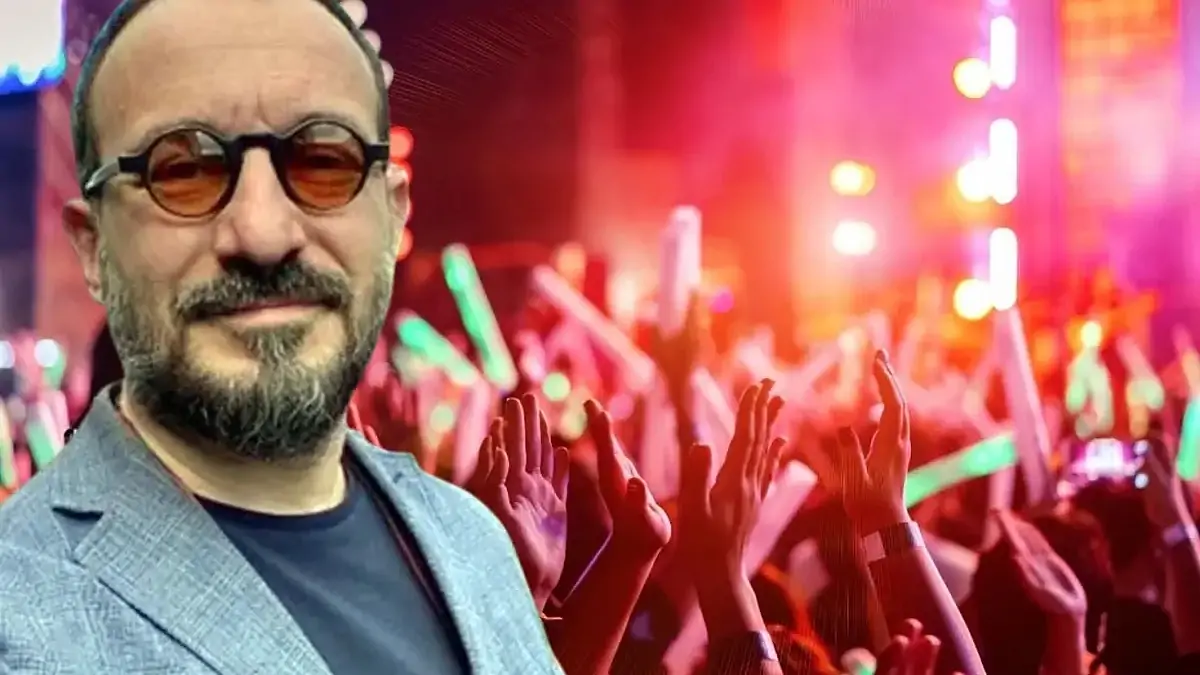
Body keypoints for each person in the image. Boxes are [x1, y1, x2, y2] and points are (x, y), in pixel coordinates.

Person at [0, 1, 561, 673]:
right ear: (93, 246)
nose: (264, 236)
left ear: (393, 214)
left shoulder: (474, 544)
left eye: (324, 159)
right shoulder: (18, 611)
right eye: (184, 170)